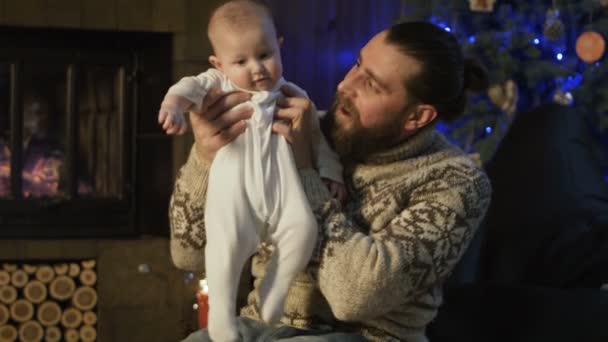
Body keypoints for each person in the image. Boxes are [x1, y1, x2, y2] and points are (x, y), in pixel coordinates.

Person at [170, 20, 492, 342]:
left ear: (417, 117)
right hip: (260, 327)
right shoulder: (303, 128)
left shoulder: (457, 180)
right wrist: (206, 156)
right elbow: (189, 257)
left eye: (372, 85)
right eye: (357, 64)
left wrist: (306, 173)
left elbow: (354, 298)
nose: (344, 85)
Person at [159, 1, 345, 341]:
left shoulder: (291, 95)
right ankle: (221, 316)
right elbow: (187, 87)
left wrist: (332, 173)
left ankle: (275, 286)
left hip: (281, 188)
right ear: (219, 64)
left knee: (303, 230)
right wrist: (174, 107)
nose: (257, 68)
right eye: (241, 61)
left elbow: (318, 142)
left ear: (280, 47)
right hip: (235, 194)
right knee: (224, 251)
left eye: (265, 54)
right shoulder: (219, 85)